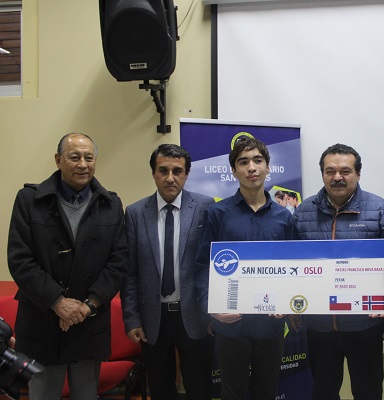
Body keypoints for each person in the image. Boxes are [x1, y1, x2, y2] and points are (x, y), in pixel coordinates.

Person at [7, 133, 128, 400]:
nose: (82, 164)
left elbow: (119, 262)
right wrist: (57, 302)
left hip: (89, 322)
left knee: (86, 395)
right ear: (58, 160)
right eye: (74, 157)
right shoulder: (30, 200)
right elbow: (20, 259)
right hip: (42, 321)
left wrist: (87, 305)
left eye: (88, 157)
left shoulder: (110, 204)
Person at [294, 143, 384, 400]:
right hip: (319, 326)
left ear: (358, 174)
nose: (337, 177)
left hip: (364, 325)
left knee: (367, 392)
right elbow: (292, 261)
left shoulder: (380, 209)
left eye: (345, 171)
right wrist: (290, 302)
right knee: (323, 392)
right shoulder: (304, 211)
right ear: (322, 174)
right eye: (330, 171)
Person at [196, 137, 297, 400]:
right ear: (234, 170)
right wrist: (211, 306)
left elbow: (291, 267)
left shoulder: (284, 217)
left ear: (267, 167)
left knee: (267, 391)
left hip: (270, 324)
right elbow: (203, 265)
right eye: (243, 162)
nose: (251, 167)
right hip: (231, 324)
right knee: (232, 392)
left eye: (257, 160)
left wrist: (287, 301)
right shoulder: (217, 213)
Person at [120, 144, 215, 400]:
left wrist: (213, 312)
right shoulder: (135, 213)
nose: (170, 178)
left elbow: (213, 264)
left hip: (195, 316)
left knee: (200, 388)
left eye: (177, 171)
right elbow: (129, 273)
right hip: (153, 318)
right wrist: (132, 319)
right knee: (161, 389)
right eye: (163, 170)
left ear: (187, 174)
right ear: (153, 173)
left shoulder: (205, 207)